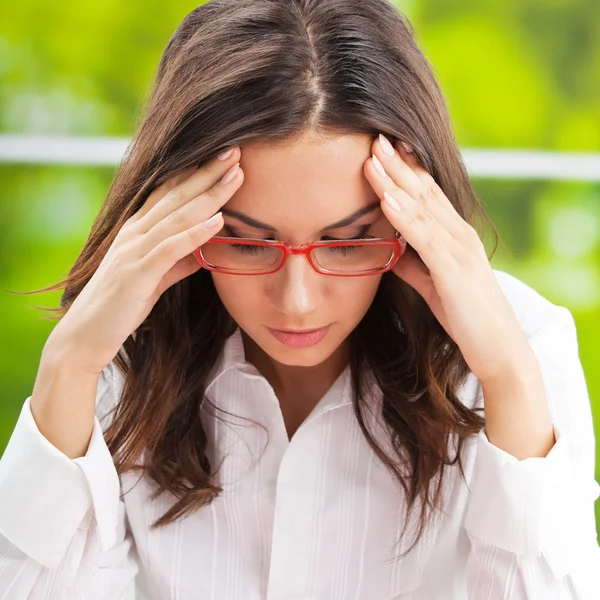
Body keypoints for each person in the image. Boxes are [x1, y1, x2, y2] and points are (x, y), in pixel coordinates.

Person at [1, 0, 599, 598]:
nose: (298, 302)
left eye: (349, 243)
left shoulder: (521, 345)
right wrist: (72, 360)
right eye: (245, 240)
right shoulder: (122, 342)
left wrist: (507, 376)